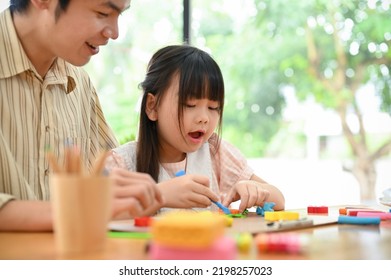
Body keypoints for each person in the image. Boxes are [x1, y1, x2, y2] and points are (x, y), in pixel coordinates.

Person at [0, 0, 163, 232]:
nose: (114, 33)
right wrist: (81, 207)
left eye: (119, 15)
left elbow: (105, 179)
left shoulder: (80, 83)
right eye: (103, 12)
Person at [106, 45, 285, 214]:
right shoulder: (121, 164)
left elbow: (278, 199)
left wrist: (253, 189)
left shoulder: (216, 152)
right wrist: (159, 195)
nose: (204, 118)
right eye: (189, 104)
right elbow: (92, 214)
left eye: (213, 107)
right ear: (152, 106)